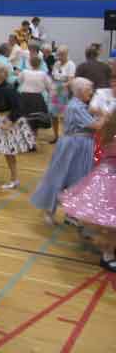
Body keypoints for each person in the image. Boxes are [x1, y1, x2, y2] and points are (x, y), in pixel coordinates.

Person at [31, 78, 105, 225]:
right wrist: (105, 115)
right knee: (60, 177)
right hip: (73, 146)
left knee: (77, 180)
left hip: (82, 146)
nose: (91, 93)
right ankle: (49, 212)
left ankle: (71, 214)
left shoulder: (80, 105)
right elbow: (95, 126)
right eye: (89, 90)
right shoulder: (75, 107)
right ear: (80, 91)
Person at [59, 111, 116, 272]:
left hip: (104, 175)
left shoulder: (107, 131)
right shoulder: (112, 136)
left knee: (108, 221)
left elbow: (99, 154)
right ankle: (108, 255)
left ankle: (106, 248)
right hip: (110, 178)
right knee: (110, 222)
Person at [0, 64, 36, 190]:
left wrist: (10, 121)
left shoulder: (9, 89)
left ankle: (14, 179)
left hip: (7, 123)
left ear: (2, 75)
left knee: (9, 153)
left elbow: (18, 108)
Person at [19, 56, 53, 136]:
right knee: (35, 120)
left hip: (25, 97)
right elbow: (49, 87)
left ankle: (25, 138)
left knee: (25, 118)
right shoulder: (43, 74)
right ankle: (33, 140)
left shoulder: (24, 72)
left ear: (29, 63)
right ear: (40, 64)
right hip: (37, 98)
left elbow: (19, 81)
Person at [50, 45, 76, 143]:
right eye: (58, 55)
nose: (59, 57)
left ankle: (66, 137)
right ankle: (56, 136)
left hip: (65, 91)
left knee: (65, 116)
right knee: (53, 114)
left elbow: (71, 81)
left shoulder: (71, 64)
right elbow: (53, 77)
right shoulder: (57, 63)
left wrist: (61, 87)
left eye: (61, 55)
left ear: (66, 54)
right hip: (55, 91)